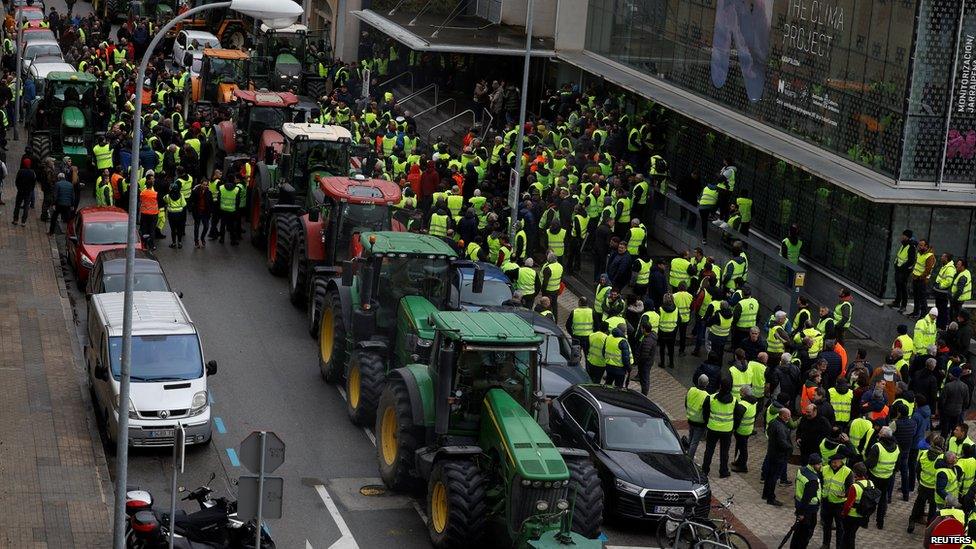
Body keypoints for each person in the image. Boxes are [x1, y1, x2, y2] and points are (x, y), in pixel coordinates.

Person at [864, 426, 899, 528]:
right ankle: (880, 523)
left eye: (879, 433)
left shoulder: (877, 447)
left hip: (875, 476)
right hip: (888, 477)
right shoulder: (896, 447)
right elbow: (897, 464)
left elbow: (871, 463)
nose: (878, 435)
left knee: (870, 499)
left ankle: (865, 521)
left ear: (883, 436)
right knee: (883, 500)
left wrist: (863, 465)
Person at [908, 436, 945, 531]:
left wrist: (921, 480)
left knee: (918, 504)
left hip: (923, 485)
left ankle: (912, 522)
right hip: (934, 487)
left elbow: (918, 470)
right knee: (932, 508)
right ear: (942, 445)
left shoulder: (924, 454)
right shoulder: (941, 458)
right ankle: (929, 527)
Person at [701, 378, 735, 478]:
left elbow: (705, 412)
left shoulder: (711, 398)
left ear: (720, 386)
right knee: (724, 452)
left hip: (712, 428)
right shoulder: (734, 401)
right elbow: (736, 416)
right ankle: (723, 471)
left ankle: (705, 470)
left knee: (709, 450)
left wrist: (708, 422)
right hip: (727, 430)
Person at [820, 452, 853, 548]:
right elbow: (821, 483)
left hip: (840, 504)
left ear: (841, 462)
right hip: (826, 503)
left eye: (835, 462)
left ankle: (839, 546)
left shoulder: (847, 472)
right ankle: (826, 544)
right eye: (832, 462)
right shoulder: (825, 469)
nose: (833, 464)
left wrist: (844, 494)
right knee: (826, 526)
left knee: (840, 527)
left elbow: (850, 488)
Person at [792, 454, 822, 549]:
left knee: (798, 532)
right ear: (813, 465)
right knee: (806, 534)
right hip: (808, 509)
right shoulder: (812, 479)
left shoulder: (801, 470)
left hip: (799, 504)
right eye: (818, 464)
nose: (820, 466)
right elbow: (807, 498)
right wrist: (801, 513)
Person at [840, 462, 874, 548]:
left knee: (848, 537)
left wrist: (843, 514)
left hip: (852, 516)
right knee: (851, 534)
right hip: (862, 514)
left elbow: (848, 505)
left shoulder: (854, 486)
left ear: (855, 473)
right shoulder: (870, 483)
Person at [764, 407, 793, 505]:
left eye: (789, 416)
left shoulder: (773, 422)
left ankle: (766, 494)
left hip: (772, 452)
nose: (788, 418)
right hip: (779, 455)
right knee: (774, 477)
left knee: (769, 475)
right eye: (787, 416)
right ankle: (771, 498)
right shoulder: (780, 427)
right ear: (781, 415)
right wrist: (790, 448)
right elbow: (782, 442)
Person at [731, 386, 758, 473]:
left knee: (743, 449)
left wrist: (734, 429)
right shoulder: (754, 402)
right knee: (742, 447)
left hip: (741, 430)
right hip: (748, 429)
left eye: (741, 392)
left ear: (744, 394)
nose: (739, 394)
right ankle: (739, 462)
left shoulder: (742, 405)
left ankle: (743, 467)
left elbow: (737, 420)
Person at [891, 229, 916, 312]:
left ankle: (903, 306)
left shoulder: (911, 246)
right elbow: (900, 256)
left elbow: (911, 261)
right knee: (898, 286)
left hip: (904, 271)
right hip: (898, 269)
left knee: (903, 288)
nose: (902, 236)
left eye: (903, 235)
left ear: (907, 236)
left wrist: (902, 267)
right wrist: (896, 264)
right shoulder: (903, 245)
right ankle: (897, 302)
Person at [686, 375, 710, 459]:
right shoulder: (706, 396)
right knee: (694, 442)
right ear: (707, 384)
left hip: (690, 419)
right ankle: (689, 459)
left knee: (690, 438)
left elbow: (686, 403)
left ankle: (686, 453)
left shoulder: (691, 390)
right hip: (699, 423)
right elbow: (706, 412)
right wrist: (706, 423)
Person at [912, 239, 936, 318]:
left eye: (921, 245)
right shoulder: (919, 253)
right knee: (916, 296)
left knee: (922, 298)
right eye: (919, 245)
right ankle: (915, 312)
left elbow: (928, 270)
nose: (919, 246)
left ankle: (923, 315)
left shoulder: (929, 256)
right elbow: (917, 264)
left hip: (922, 280)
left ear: (926, 246)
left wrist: (920, 277)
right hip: (916, 278)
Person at [634, 321, 657, 396]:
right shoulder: (649, 337)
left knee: (645, 379)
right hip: (647, 362)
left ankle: (644, 395)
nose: (640, 329)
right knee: (644, 378)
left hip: (645, 364)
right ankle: (643, 392)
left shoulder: (648, 340)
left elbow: (644, 355)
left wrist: (638, 361)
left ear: (644, 329)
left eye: (641, 328)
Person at [12, 158, 36, 226]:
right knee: (26, 206)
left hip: (20, 191)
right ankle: (23, 222)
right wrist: (31, 189)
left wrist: (19, 188)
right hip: (28, 192)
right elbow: (34, 182)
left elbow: (17, 181)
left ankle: (15, 220)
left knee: (17, 205)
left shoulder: (20, 171)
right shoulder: (32, 172)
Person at [540, 252, 563, 319]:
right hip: (556, 290)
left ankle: (548, 319)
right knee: (554, 305)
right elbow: (561, 279)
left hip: (548, 290)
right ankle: (555, 320)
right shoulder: (560, 266)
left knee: (547, 306)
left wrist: (542, 291)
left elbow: (545, 282)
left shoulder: (548, 268)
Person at [139, 179, 159, 251]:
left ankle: (144, 244)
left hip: (144, 213)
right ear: (152, 185)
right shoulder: (155, 194)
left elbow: (141, 200)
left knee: (144, 229)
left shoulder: (142, 193)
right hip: (153, 213)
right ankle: (152, 245)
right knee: (152, 229)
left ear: (146, 185)